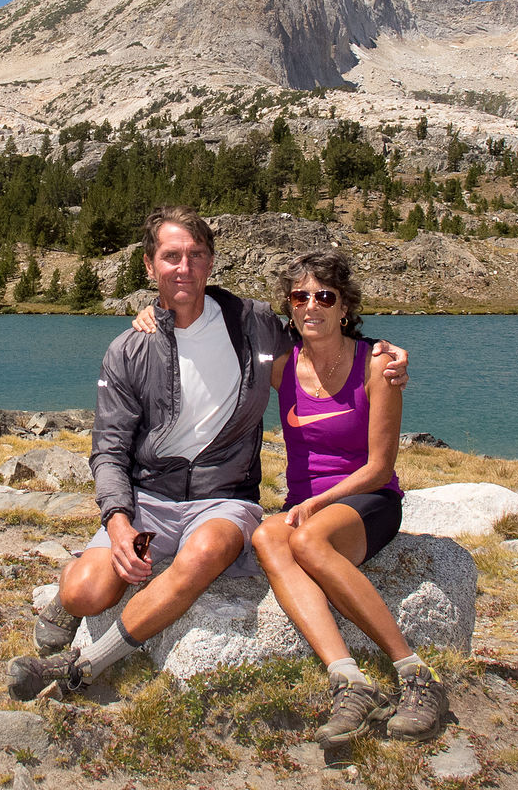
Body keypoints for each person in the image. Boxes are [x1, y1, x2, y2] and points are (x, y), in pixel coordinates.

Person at [4, 207, 408, 702]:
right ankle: (66, 594)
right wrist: (119, 521)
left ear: (211, 262)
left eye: (195, 255)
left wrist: (383, 353)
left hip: (222, 499)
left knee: (206, 552)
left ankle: (84, 665)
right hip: (152, 499)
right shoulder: (130, 348)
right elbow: (108, 449)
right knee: (87, 592)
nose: (184, 267)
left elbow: (324, 346)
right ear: (150, 266)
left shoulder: (254, 324)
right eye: (171, 256)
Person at [131, 249, 447, 745]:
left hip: (368, 500)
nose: (311, 307)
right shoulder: (282, 365)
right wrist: (159, 308)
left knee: (307, 540)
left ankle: (415, 675)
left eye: (325, 296)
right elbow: (220, 322)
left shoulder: (378, 363)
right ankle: (349, 680)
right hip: (306, 507)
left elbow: (379, 466)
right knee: (267, 538)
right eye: (300, 297)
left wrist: (318, 505)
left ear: (345, 305)